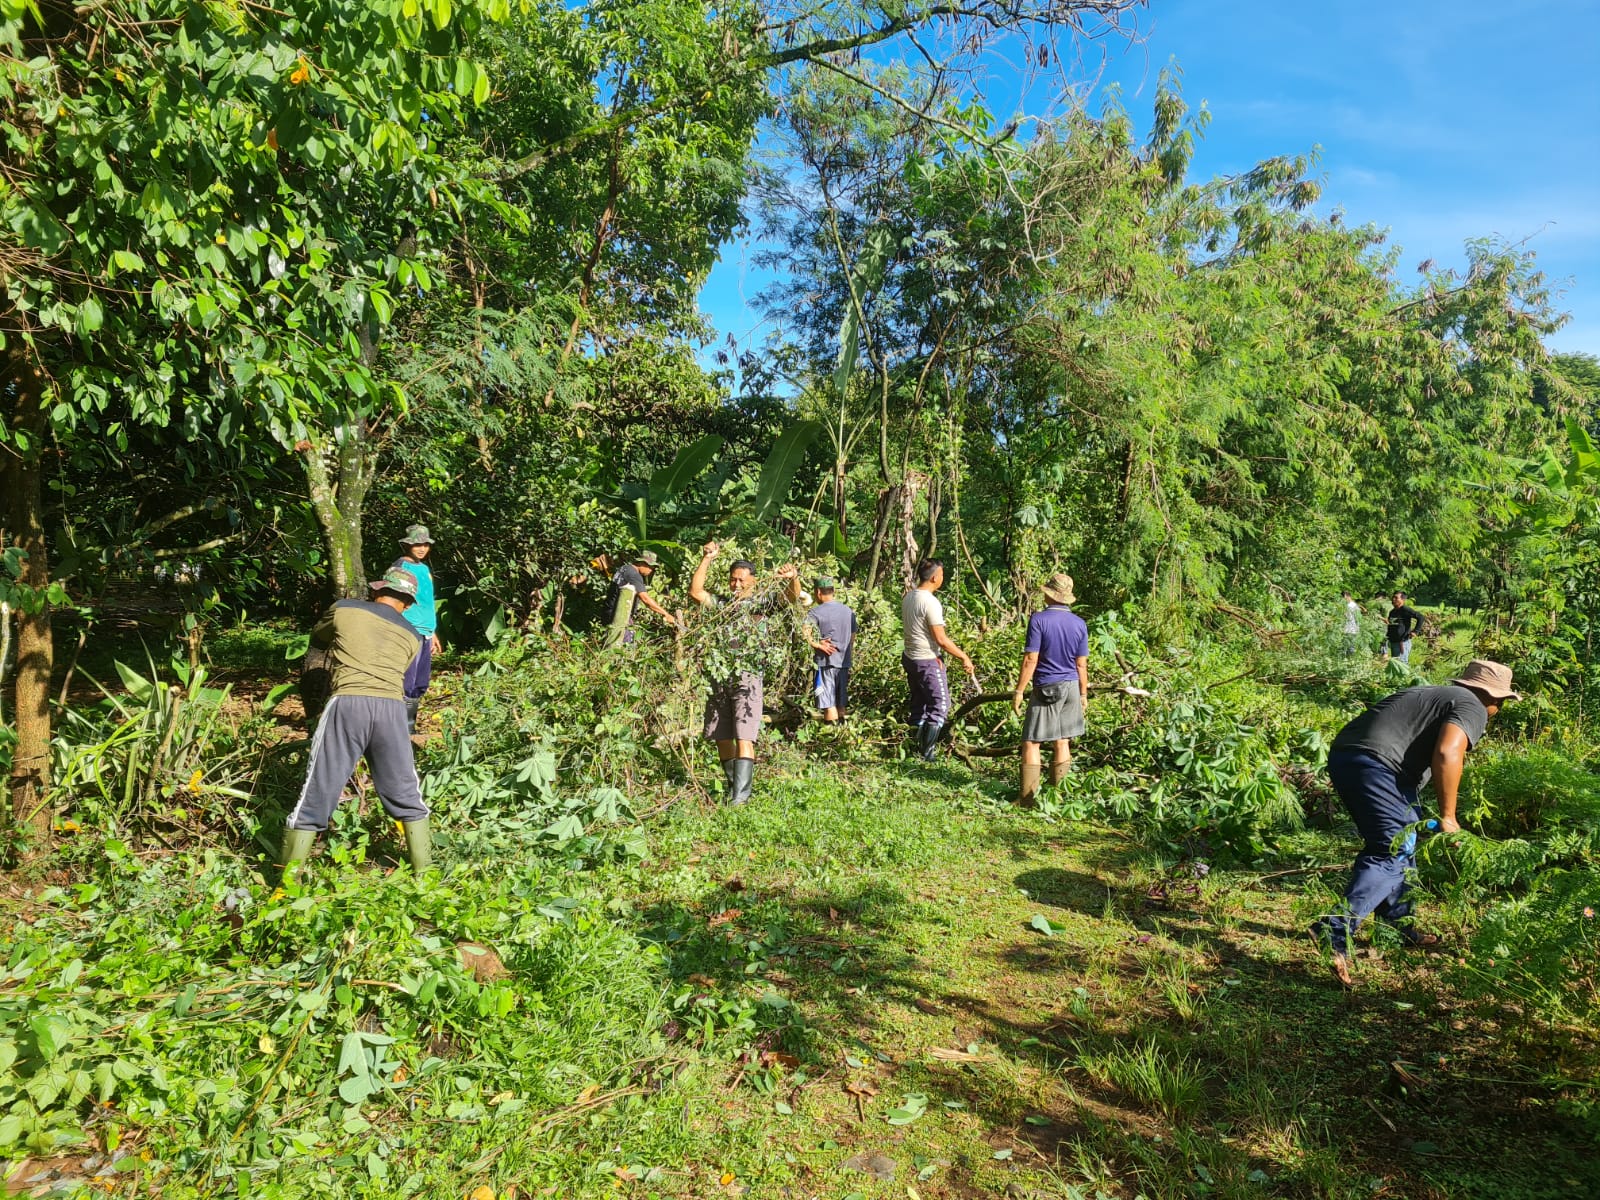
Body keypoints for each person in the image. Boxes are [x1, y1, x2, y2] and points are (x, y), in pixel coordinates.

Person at [1311, 660, 1519, 986]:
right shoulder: (1472, 706)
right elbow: (1448, 753)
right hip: (1379, 766)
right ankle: (1334, 928)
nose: (1498, 708)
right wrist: (1449, 816)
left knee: (1405, 839)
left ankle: (1397, 927)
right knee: (1390, 851)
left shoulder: (1432, 693)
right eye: (1501, 702)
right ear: (1490, 696)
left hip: (1351, 756)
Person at [281, 568, 433, 876]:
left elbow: (320, 636)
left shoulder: (345, 608)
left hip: (348, 703)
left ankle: (286, 886)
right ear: (407, 603)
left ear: (377, 592)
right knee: (406, 793)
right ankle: (427, 878)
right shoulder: (414, 637)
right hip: (392, 710)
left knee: (317, 791)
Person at [688, 542, 800, 804]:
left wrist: (793, 578)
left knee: (744, 734)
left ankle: (741, 798)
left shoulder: (762, 605)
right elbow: (696, 593)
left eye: (741, 580)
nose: (736, 585)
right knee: (721, 734)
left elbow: (791, 598)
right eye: (732, 580)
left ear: (753, 581)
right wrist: (707, 559)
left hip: (747, 675)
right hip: (720, 672)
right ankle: (732, 788)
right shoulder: (723, 604)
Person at [1010, 573, 1089, 804]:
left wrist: (1019, 691)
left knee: (1032, 741)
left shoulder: (1039, 620)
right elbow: (1081, 663)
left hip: (1047, 687)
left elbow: (1030, 659)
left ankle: (1027, 799)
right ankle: (1057, 798)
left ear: (1049, 594)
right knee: (1062, 741)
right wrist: (1083, 693)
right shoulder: (1079, 624)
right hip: (1072, 686)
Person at [901, 558, 976, 761]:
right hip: (926, 659)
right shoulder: (929, 602)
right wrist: (963, 657)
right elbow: (941, 639)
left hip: (910, 657)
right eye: (942, 575)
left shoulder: (909, 597)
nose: (942, 578)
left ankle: (913, 748)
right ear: (935, 577)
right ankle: (927, 754)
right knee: (940, 705)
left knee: (919, 703)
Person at [392, 524, 441, 734]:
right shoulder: (401, 567)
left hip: (425, 630)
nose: (421, 548)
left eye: (425, 544)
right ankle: (398, 726)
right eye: (417, 544)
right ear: (407, 545)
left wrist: (433, 633)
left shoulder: (424, 569)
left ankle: (409, 725)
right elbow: (393, 600)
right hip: (409, 628)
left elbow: (427, 602)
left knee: (420, 680)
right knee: (407, 678)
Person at [805, 577, 857, 723]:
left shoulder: (815, 612)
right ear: (833, 591)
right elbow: (852, 638)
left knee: (828, 705)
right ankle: (842, 737)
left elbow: (804, 632)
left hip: (825, 663)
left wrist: (818, 645)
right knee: (841, 704)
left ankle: (830, 740)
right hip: (844, 664)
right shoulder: (848, 611)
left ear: (818, 592)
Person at [602, 550, 678, 646]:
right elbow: (645, 599)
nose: (651, 571)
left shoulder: (624, 568)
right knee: (625, 645)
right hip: (618, 615)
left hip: (608, 611)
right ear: (642, 563)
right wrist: (666, 614)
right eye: (651, 567)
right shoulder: (634, 575)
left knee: (611, 641)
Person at [1384, 592, 1424, 663]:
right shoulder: (1392, 612)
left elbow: (1420, 617)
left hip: (1402, 642)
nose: (1393, 599)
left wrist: (1415, 631)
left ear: (1403, 600)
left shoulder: (1405, 609)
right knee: (1396, 664)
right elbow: (1392, 625)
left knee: (1402, 664)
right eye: (1393, 597)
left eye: (1396, 598)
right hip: (1394, 643)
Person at [1342, 591, 1364, 657]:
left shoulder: (1351, 605)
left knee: (1350, 648)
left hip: (1351, 629)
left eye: (1343, 597)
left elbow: (1356, 618)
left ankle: (1351, 661)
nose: (1343, 599)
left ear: (1347, 596)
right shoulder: (1351, 605)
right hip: (1348, 629)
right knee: (1347, 647)